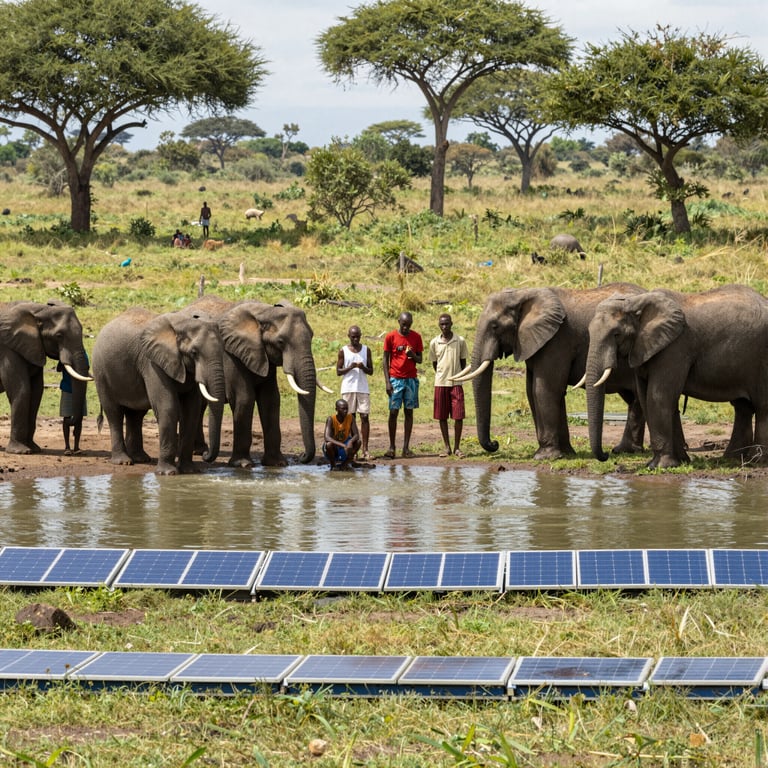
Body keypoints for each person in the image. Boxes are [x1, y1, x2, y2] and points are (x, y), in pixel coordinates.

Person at [383, 311, 423, 458]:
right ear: (399, 321)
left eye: (409, 325)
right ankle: (392, 447)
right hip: (395, 379)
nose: (406, 327)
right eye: (404, 324)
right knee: (393, 411)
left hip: (411, 379)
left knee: (409, 411)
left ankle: (406, 448)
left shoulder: (416, 337)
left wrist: (413, 355)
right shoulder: (391, 337)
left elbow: (420, 360)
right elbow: (385, 360)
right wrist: (387, 382)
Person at [429, 313, 469, 457]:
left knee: (458, 416)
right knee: (442, 416)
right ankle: (447, 447)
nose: (444, 327)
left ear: (452, 324)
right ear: (439, 325)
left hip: (456, 382)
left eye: (447, 324)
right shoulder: (434, 342)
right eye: (442, 324)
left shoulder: (460, 341)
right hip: (440, 383)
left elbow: (463, 362)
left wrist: (458, 375)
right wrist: (442, 375)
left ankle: (457, 447)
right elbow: (435, 363)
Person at [336, 325, 374, 460]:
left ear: (360, 336)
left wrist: (363, 367)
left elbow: (371, 371)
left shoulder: (366, 350)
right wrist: (350, 367)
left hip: (362, 388)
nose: (356, 339)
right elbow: (338, 371)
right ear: (349, 336)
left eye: (358, 336)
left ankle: (365, 450)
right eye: (353, 337)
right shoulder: (343, 351)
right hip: (348, 388)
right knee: (350, 418)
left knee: (364, 417)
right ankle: (353, 449)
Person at [58, 358, 88, 456]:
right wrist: (63, 361)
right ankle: (67, 446)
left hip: (80, 390)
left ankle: (76, 447)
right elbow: (58, 368)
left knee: (79, 418)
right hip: (67, 389)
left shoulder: (83, 355)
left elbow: (86, 367)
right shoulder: (65, 356)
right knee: (66, 417)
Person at [323, 399, 361, 471]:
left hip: (346, 444)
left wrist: (350, 442)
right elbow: (327, 437)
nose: (345, 411)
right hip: (334, 448)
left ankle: (345, 464)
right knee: (329, 444)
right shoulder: (331, 419)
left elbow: (356, 435)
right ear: (336, 409)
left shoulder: (350, 418)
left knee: (358, 442)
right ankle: (333, 465)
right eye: (343, 409)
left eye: (347, 408)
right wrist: (343, 445)